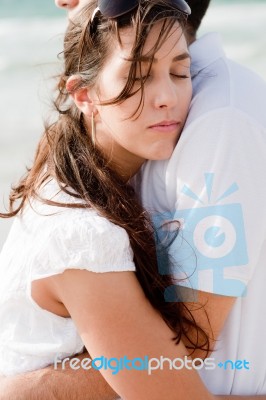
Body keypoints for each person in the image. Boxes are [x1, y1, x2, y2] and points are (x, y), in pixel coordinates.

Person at [1, 1, 266, 400]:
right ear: (84, 95)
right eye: (138, 75)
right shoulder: (82, 235)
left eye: (180, 72)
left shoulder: (87, 174)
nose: (167, 98)